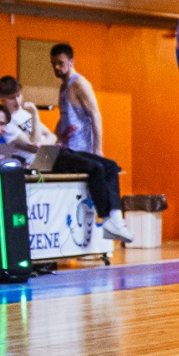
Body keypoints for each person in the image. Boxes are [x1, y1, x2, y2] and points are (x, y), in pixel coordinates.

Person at [47, 44, 132, 242]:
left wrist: (98, 148)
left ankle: (114, 221)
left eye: (60, 63)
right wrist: (53, 139)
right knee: (102, 168)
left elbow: (95, 114)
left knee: (109, 166)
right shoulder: (63, 88)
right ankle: (112, 221)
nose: (56, 68)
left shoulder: (80, 84)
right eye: (53, 64)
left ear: (71, 62)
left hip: (81, 148)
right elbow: (63, 118)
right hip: (68, 150)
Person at [0, 75, 56, 158]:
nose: (17, 101)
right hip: (35, 162)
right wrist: (35, 114)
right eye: (11, 98)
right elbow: (34, 147)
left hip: (49, 155)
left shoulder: (23, 112)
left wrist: (41, 144)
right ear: (1, 97)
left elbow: (52, 136)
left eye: (18, 96)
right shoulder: (6, 123)